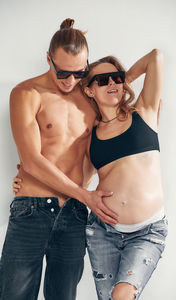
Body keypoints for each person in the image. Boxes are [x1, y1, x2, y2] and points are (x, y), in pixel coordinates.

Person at [0, 18, 118, 300]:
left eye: (80, 73)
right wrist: (84, 194)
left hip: (74, 214)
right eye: (63, 73)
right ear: (48, 59)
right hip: (32, 209)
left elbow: (125, 82)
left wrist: (84, 193)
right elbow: (31, 161)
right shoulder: (26, 93)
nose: (70, 81)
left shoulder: (91, 97)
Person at [80, 53, 168, 300]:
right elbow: (79, 186)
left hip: (147, 230)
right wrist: (26, 184)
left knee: (122, 296)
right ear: (89, 91)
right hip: (102, 233)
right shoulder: (90, 138)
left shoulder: (144, 111)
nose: (112, 83)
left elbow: (156, 57)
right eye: (103, 80)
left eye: (115, 78)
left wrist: (119, 81)